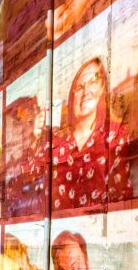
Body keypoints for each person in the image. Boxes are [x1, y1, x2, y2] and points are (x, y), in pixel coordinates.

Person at [51, 57, 132, 211]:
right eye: (80, 86)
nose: (86, 91)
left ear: (102, 88)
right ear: (72, 94)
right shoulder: (56, 143)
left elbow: (123, 197)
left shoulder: (116, 134)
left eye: (93, 81)